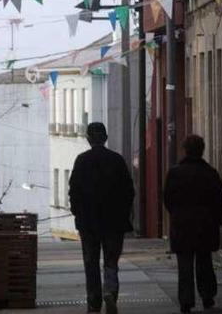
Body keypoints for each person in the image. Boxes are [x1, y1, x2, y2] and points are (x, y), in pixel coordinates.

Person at [69, 122, 135, 314]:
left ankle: (94, 301)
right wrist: (124, 213)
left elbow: (74, 191)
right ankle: (110, 291)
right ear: (105, 138)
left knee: (90, 262)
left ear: (88, 139)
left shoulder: (82, 160)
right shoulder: (117, 160)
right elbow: (129, 190)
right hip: (114, 223)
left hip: (88, 223)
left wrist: (78, 212)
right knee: (111, 261)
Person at [163, 135, 222, 313]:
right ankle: (207, 296)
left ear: (185, 150)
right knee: (204, 261)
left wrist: (176, 215)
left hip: (182, 225)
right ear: (202, 150)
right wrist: (217, 220)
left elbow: (167, 198)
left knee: (184, 265)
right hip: (205, 225)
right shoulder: (210, 173)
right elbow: (221, 199)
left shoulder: (175, 173)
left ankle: (186, 300)